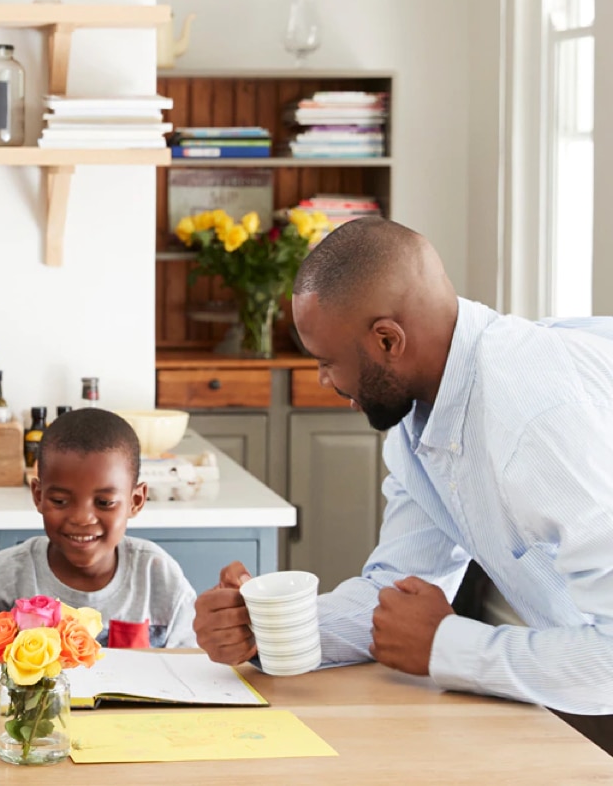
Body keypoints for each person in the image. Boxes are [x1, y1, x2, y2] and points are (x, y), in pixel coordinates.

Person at [193, 217, 613, 733]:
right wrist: (267, 629)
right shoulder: (424, 418)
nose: (324, 380)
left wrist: (448, 645)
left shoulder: (536, 418)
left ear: (388, 340)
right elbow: (397, 592)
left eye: (327, 362)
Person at [0, 408, 198, 648]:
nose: (82, 518)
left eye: (104, 503)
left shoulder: (159, 576)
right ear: (38, 496)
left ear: (136, 501)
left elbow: (189, 666)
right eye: (60, 501)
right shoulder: (3, 578)